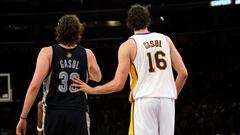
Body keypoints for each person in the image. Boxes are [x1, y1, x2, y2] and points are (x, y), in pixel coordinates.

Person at [71, 4, 188, 135]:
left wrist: (92, 90)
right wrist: (171, 94)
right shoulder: (166, 40)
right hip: (167, 100)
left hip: (145, 100)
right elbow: (183, 73)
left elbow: (118, 84)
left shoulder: (128, 45)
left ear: (129, 23)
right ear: (148, 20)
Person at [16, 14, 102, 135]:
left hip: (54, 114)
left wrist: (23, 117)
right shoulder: (87, 53)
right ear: (78, 32)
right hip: (77, 113)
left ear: (59, 31)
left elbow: (34, 86)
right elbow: (98, 78)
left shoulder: (47, 52)